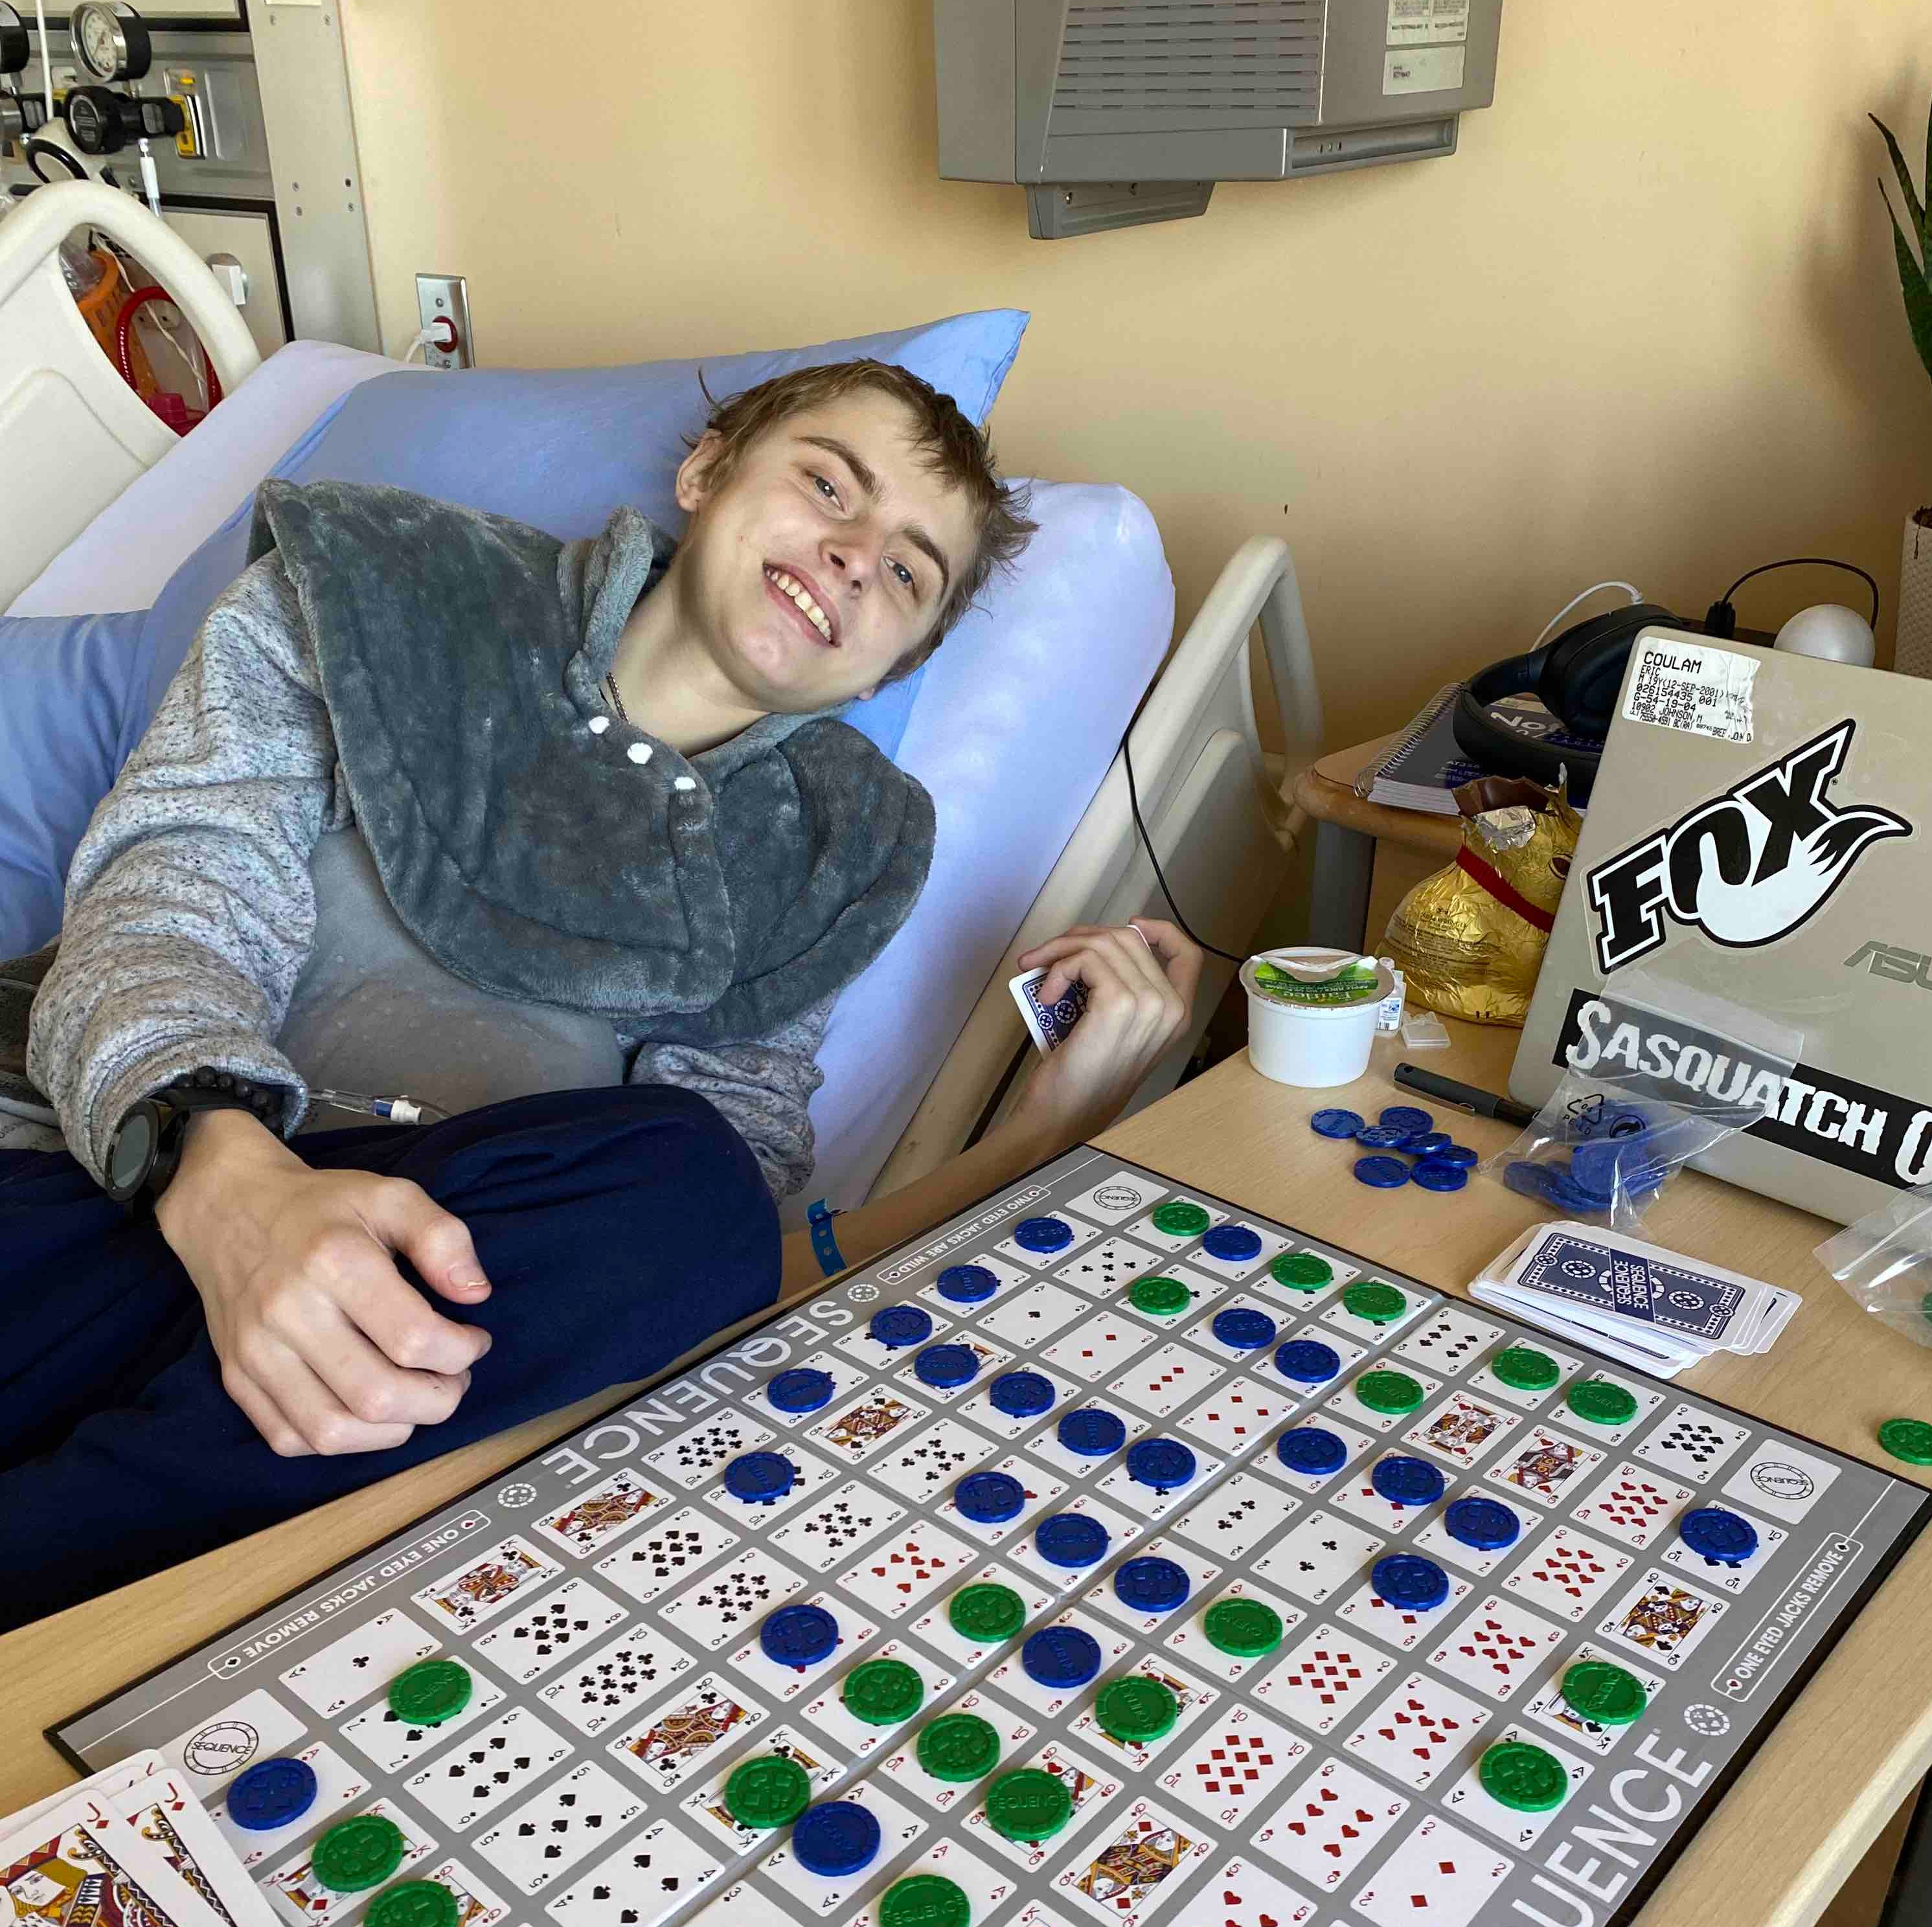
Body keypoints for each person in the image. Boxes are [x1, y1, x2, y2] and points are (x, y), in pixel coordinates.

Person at [0, 357, 1200, 1619]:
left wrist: (1047, 1128)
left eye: (909, 571)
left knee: (688, 1194)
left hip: (419, 1303)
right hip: (93, 1205)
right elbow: (172, 903)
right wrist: (229, 1180)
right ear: (705, 471)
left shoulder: (825, 849)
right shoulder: (379, 594)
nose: (856, 554)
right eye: (828, 486)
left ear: (893, 666)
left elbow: (733, 1264)